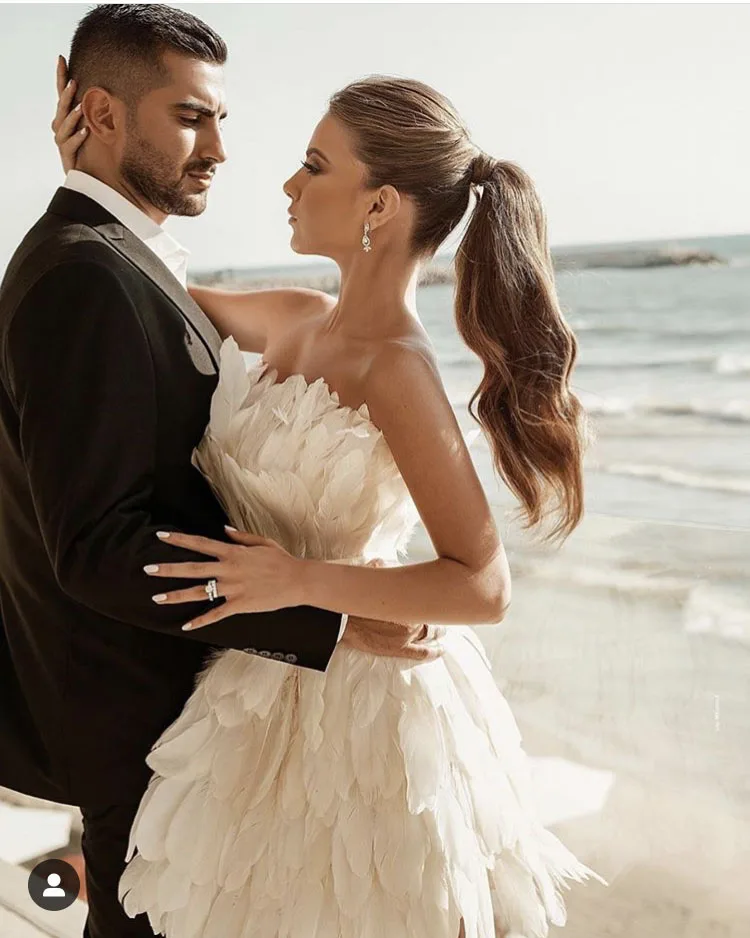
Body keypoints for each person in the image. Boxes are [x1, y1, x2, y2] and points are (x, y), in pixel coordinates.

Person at [49, 10, 609, 938]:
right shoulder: (290, 315)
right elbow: (133, 286)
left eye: (314, 166)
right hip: (246, 684)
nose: (284, 181)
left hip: (361, 715)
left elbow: (482, 583)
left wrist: (307, 586)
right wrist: (87, 174)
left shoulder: (399, 369)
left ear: (379, 205)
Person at [0, 6, 442, 938]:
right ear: (102, 113)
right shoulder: (82, 274)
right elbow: (96, 546)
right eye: (191, 117)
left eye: (220, 120)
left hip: (204, 734)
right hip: (138, 738)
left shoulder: (118, 260)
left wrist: (82, 182)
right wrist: (328, 615)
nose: (220, 150)